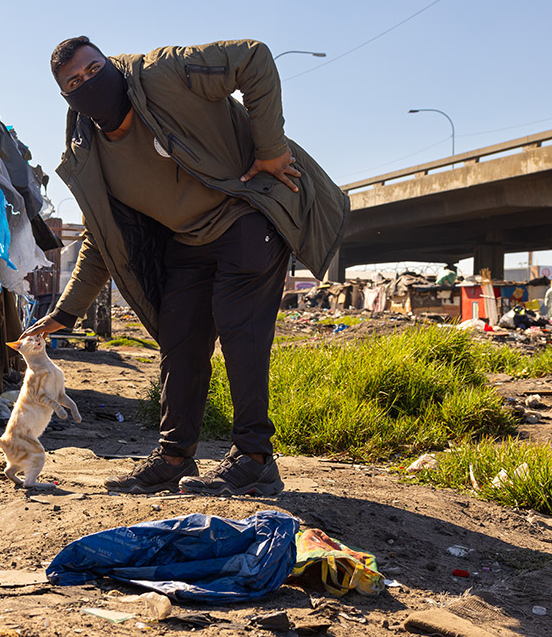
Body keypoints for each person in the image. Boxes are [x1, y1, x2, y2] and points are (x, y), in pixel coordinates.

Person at [21, 37, 349, 496]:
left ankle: (255, 458)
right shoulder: (89, 151)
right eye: (75, 82)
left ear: (110, 63)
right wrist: (67, 310)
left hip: (249, 211)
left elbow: (253, 57)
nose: (89, 83)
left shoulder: (162, 73)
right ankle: (174, 457)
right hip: (188, 241)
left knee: (239, 329)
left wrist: (270, 147)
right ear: (66, 97)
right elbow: (103, 237)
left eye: (95, 70)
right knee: (181, 342)